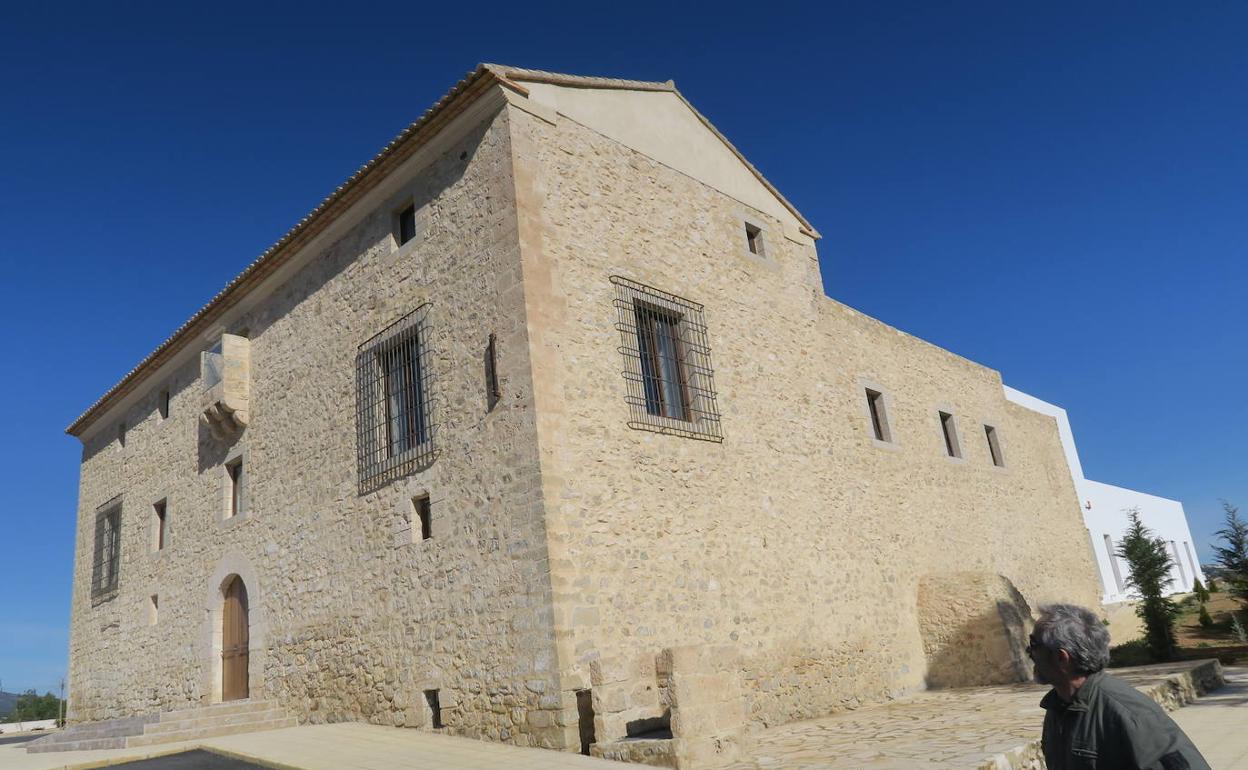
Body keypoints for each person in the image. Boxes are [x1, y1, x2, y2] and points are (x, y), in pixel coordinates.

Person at [1028, 604, 1210, 770]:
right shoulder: (1059, 706)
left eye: (1033, 644)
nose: (1029, 652)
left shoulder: (1129, 713)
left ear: (1062, 658)